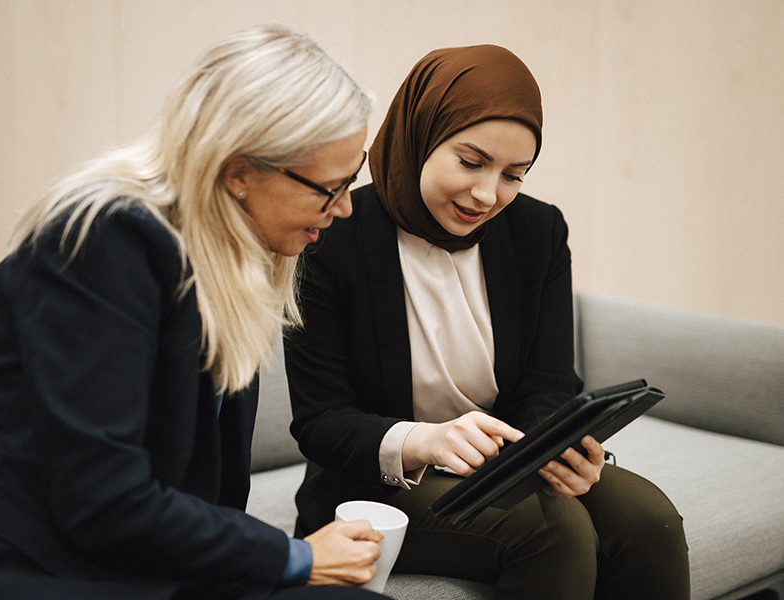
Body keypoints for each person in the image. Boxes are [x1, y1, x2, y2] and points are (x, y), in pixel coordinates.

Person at [0, 24, 389, 600]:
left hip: (137, 566)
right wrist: (290, 555)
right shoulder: (101, 245)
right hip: (23, 575)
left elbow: (206, 493)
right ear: (238, 171)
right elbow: (102, 499)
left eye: (351, 180)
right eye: (329, 187)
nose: (346, 207)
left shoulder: (236, 258)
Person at [284, 44, 690, 600]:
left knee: (649, 519)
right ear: (421, 135)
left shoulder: (537, 231)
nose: (486, 194)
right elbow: (321, 420)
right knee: (555, 532)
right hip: (378, 484)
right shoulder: (330, 239)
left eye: (512, 175)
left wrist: (561, 446)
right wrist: (427, 440)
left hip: (504, 465)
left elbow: (547, 384)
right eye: (471, 162)